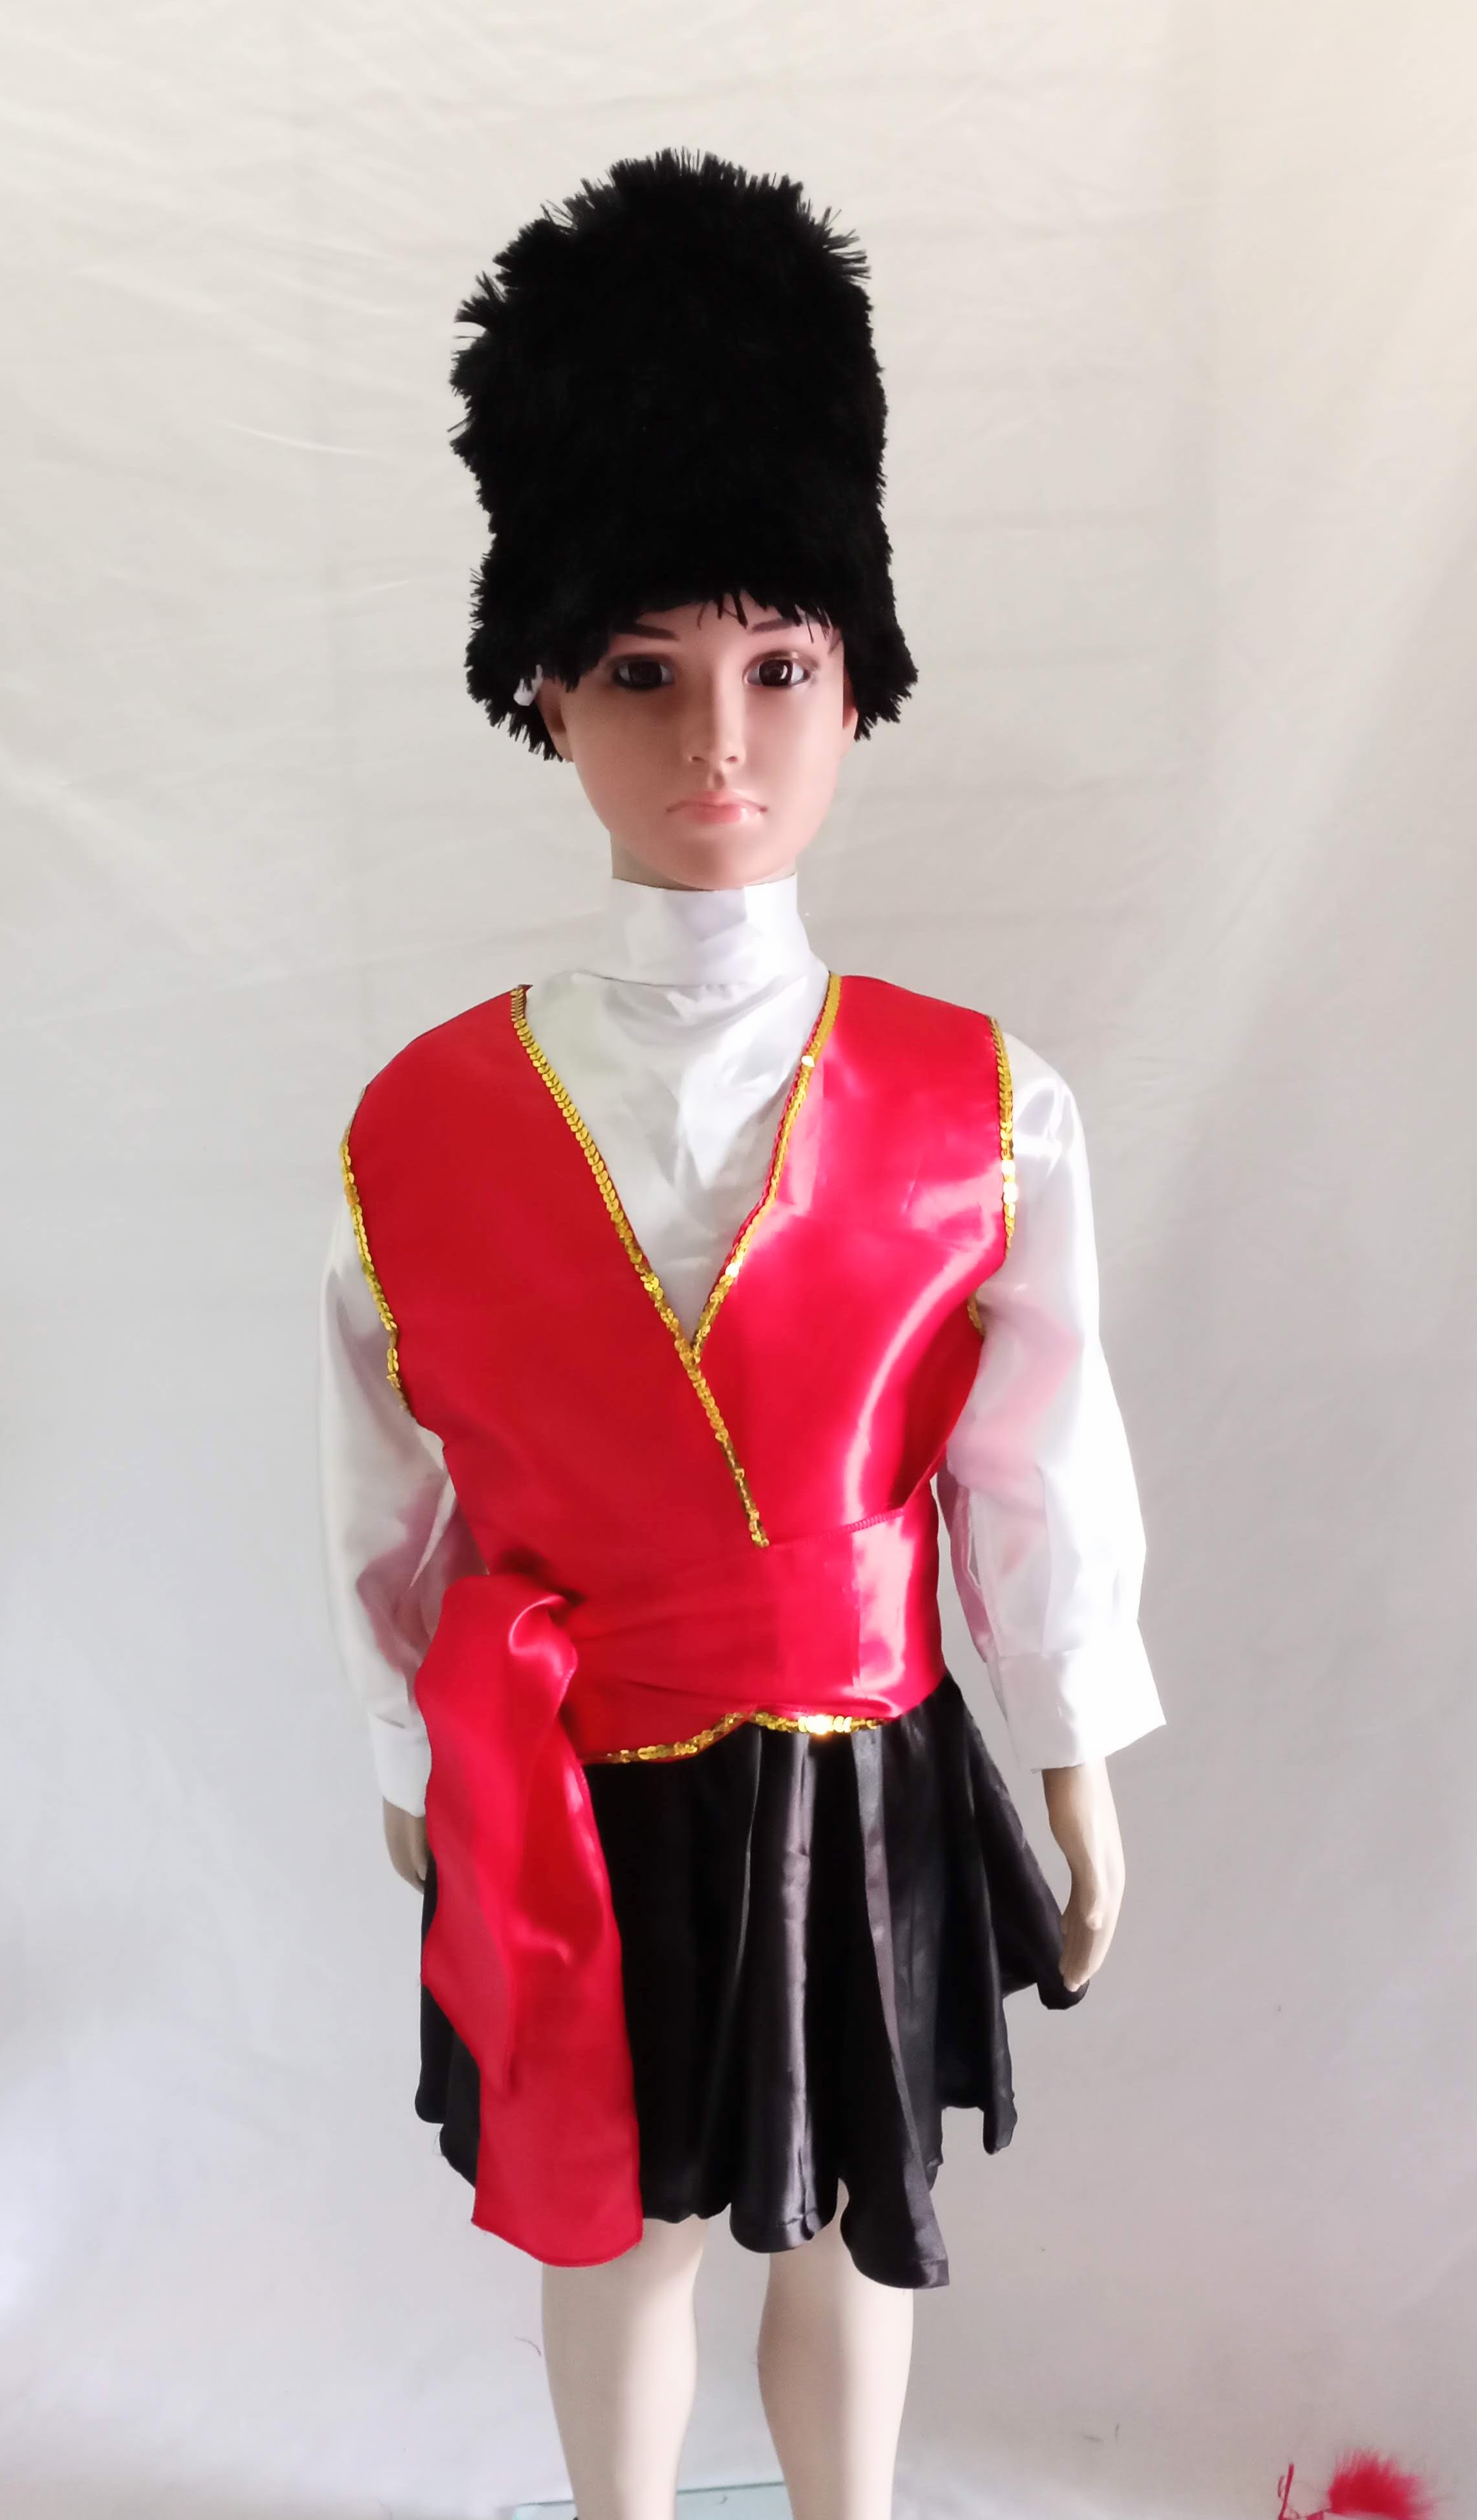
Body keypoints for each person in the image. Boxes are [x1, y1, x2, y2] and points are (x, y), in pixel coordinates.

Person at [318, 150, 1165, 2520]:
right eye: (643, 671)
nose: (721, 740)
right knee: (622, 2225)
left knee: (852, 2215)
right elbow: (386, 1486)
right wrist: (404, 1741)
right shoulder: (419, 1131)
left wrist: (1075, 1742)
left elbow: (1031, 1453)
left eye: (780, 666)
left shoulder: (984, 1105)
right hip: (573, 1779)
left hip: (860, 1763)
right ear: (543, 687)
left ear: (857, 678)